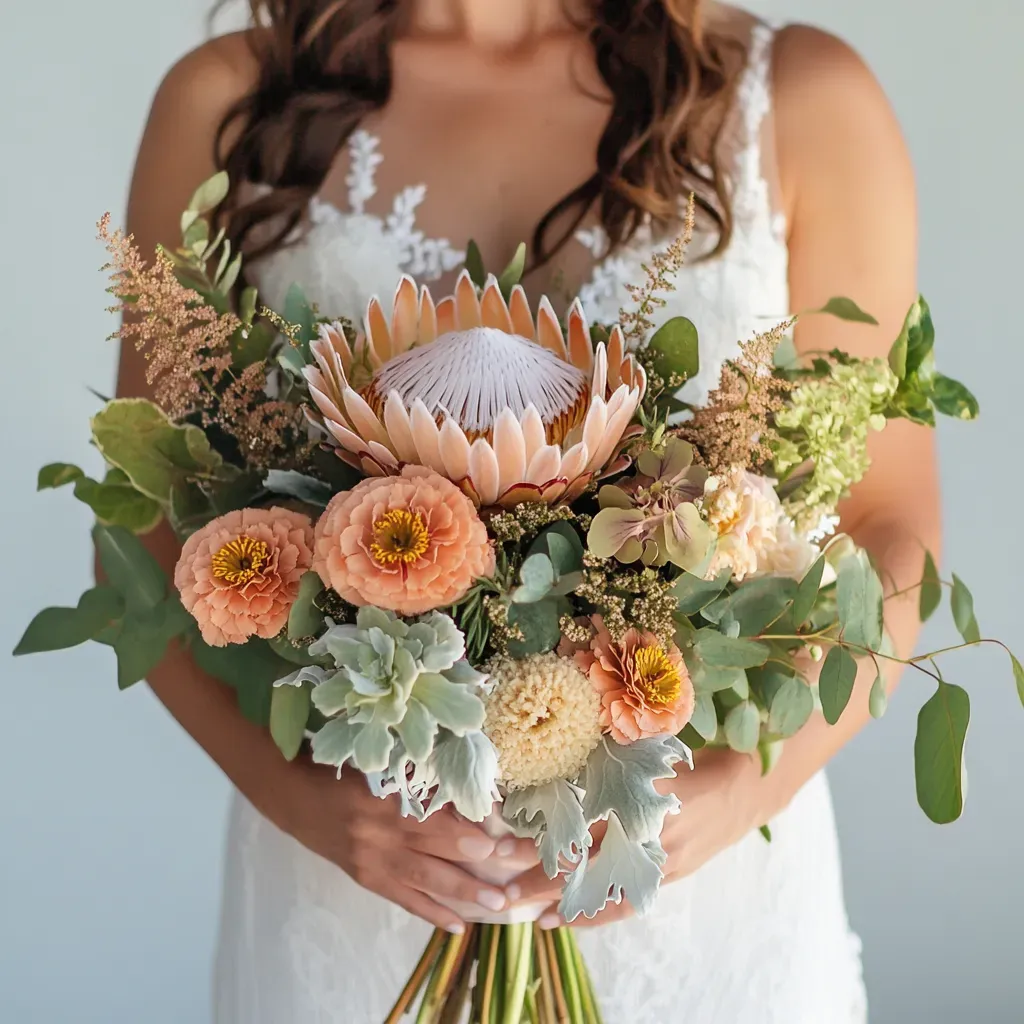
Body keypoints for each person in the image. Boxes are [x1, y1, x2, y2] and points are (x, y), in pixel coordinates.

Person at [120, 1, 936, 1020]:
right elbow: (143, 534)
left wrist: (747, 788)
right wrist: (300, 802)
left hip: (699, 905)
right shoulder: (228, 104)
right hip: (357, 890)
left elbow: (890, 529)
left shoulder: (801, 100)